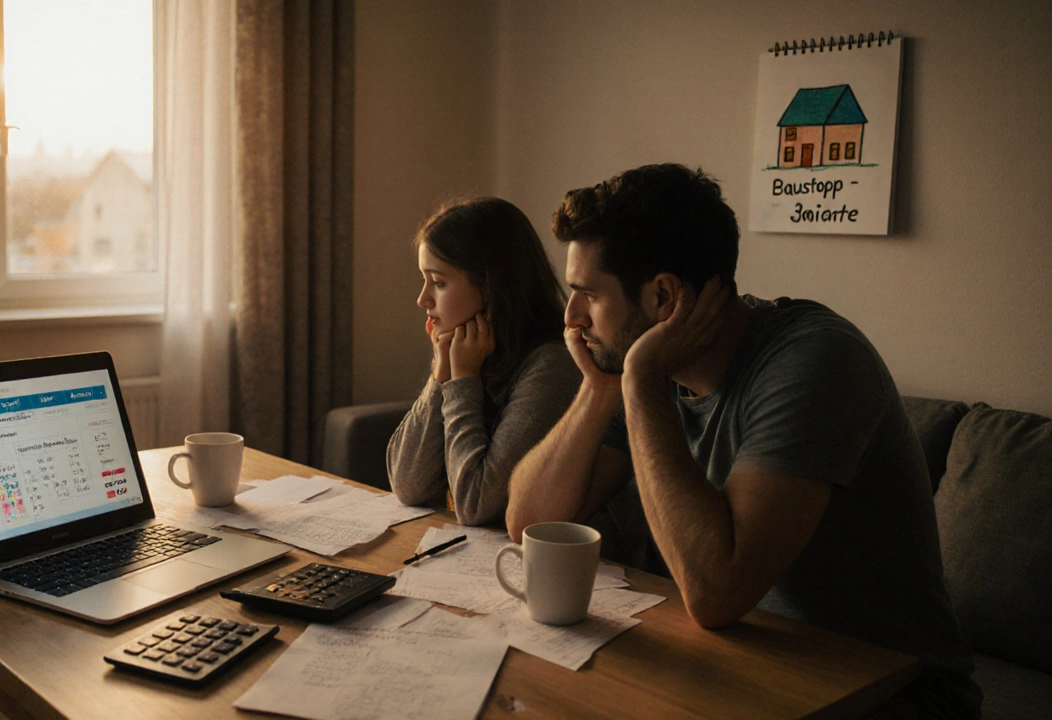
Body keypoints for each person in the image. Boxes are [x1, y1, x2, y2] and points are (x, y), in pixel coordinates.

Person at [505, 164, 981, 718]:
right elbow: (529, 523)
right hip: (743, 667)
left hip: (896, 696)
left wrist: (639, 380)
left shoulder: (817, 361)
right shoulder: (651, 368)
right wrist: (600, 388)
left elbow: (715, 593)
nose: (571, 318)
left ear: (664, 296)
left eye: (587, 294)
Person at [387, 197, 580, 526]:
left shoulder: (551, 366)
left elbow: (476, 505)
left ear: (491, 289)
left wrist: (462, 381)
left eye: (439, 282)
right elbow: (408, 485)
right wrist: (440, 375)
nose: (423, 299)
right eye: (424, 280)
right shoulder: (469, 353)